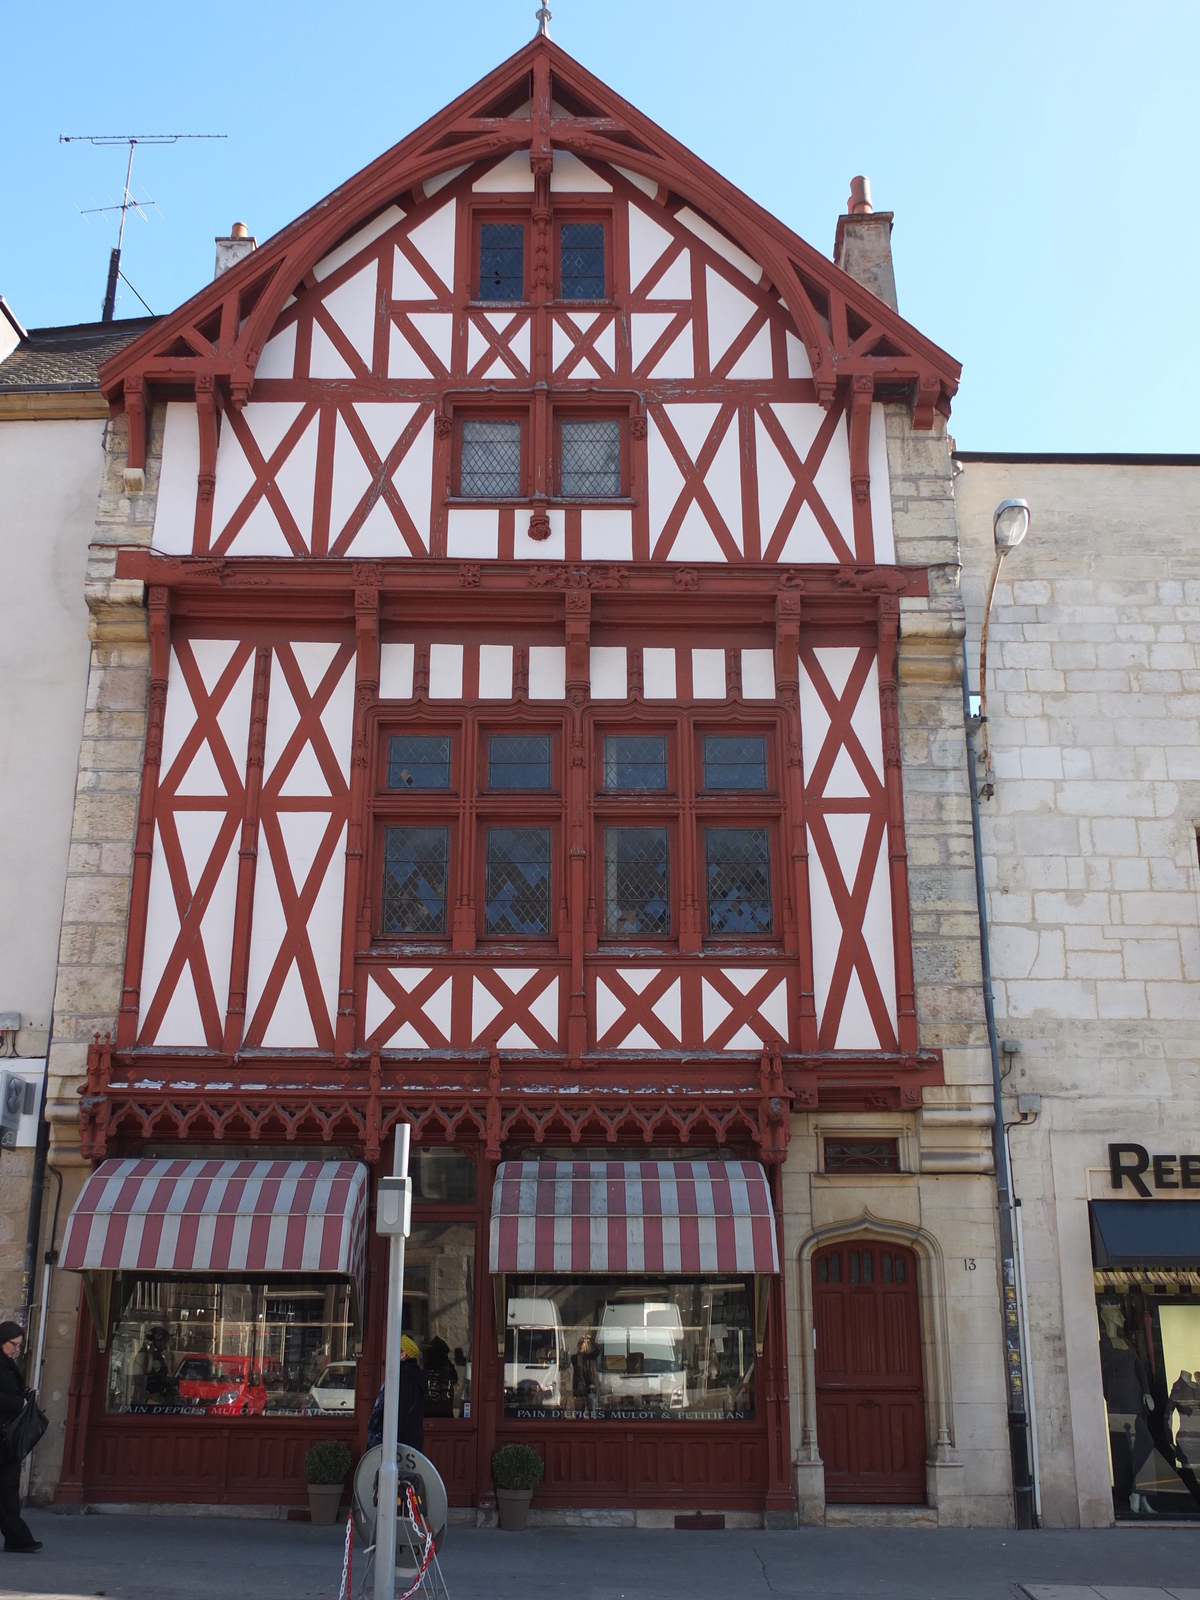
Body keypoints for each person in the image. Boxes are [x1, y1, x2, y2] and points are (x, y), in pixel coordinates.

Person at [0, 1321, 41, 1554]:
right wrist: (18, 1401)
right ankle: (18, 1537)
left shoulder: (7, 1364)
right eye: (13, 1344)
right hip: (3, 1434)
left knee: (8, 1488)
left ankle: (18, 1538)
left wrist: (24, 1394)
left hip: (7, 1437)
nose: (16, 1348)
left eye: (19, 1345)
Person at [366, 1335, 428, 1451]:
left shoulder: (403, 1379)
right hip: (408, 1445)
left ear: (402, 1355)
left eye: (392, 1350)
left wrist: (388, 1447)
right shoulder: (410, 1376)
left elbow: (398, 1415)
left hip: (398, 1448)